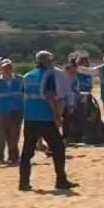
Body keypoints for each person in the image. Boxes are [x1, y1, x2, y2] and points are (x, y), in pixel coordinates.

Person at [19, 51, 76, 192]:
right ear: (46, 62)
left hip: (29, 117)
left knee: (27, 151)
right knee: (58, 148)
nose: (52, 63)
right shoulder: (48, 75)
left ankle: (23, 183)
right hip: (44, 117)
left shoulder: (27, 76)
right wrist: (56, 114)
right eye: (50, 60)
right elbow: (49, 95)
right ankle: (61, 180)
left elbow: (22, 93)